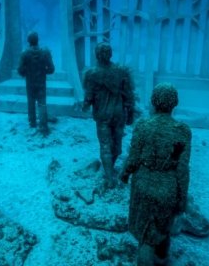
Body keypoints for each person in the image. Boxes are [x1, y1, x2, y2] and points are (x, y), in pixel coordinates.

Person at [119, 83, 192, 266]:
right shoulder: (183, 131)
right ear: (174, 103)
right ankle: (162, 259)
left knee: (146, 237)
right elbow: (182, 169)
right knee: (163, 228)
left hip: (143, 184)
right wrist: (182, 198)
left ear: (153, 102)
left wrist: (125, 174)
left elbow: (134, 158)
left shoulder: (143, 126)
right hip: (168, 188)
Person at [82, 42, 136, 188]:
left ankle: (109, 177)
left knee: (105, 144)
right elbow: (129, 95)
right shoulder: (121, 72)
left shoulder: (91, 74)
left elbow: (88, 97)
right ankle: (110, 168)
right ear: (110, 54)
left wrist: (84, 106)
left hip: (102, 115)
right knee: (117, 144)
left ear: (96, 55)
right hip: (119, 114)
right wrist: (130, 113)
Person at [17, 31, 55, 135]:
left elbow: (20, 70)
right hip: (41, 82)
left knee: (31, 101)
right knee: (42, 102)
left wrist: (27, 72)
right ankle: (43, 125)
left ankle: (32, 122)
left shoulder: (24, 53)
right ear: (38, 40)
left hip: (30, 82)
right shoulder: (45, 52)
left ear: (28, 41)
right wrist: (43, 71)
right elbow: (51, 69)